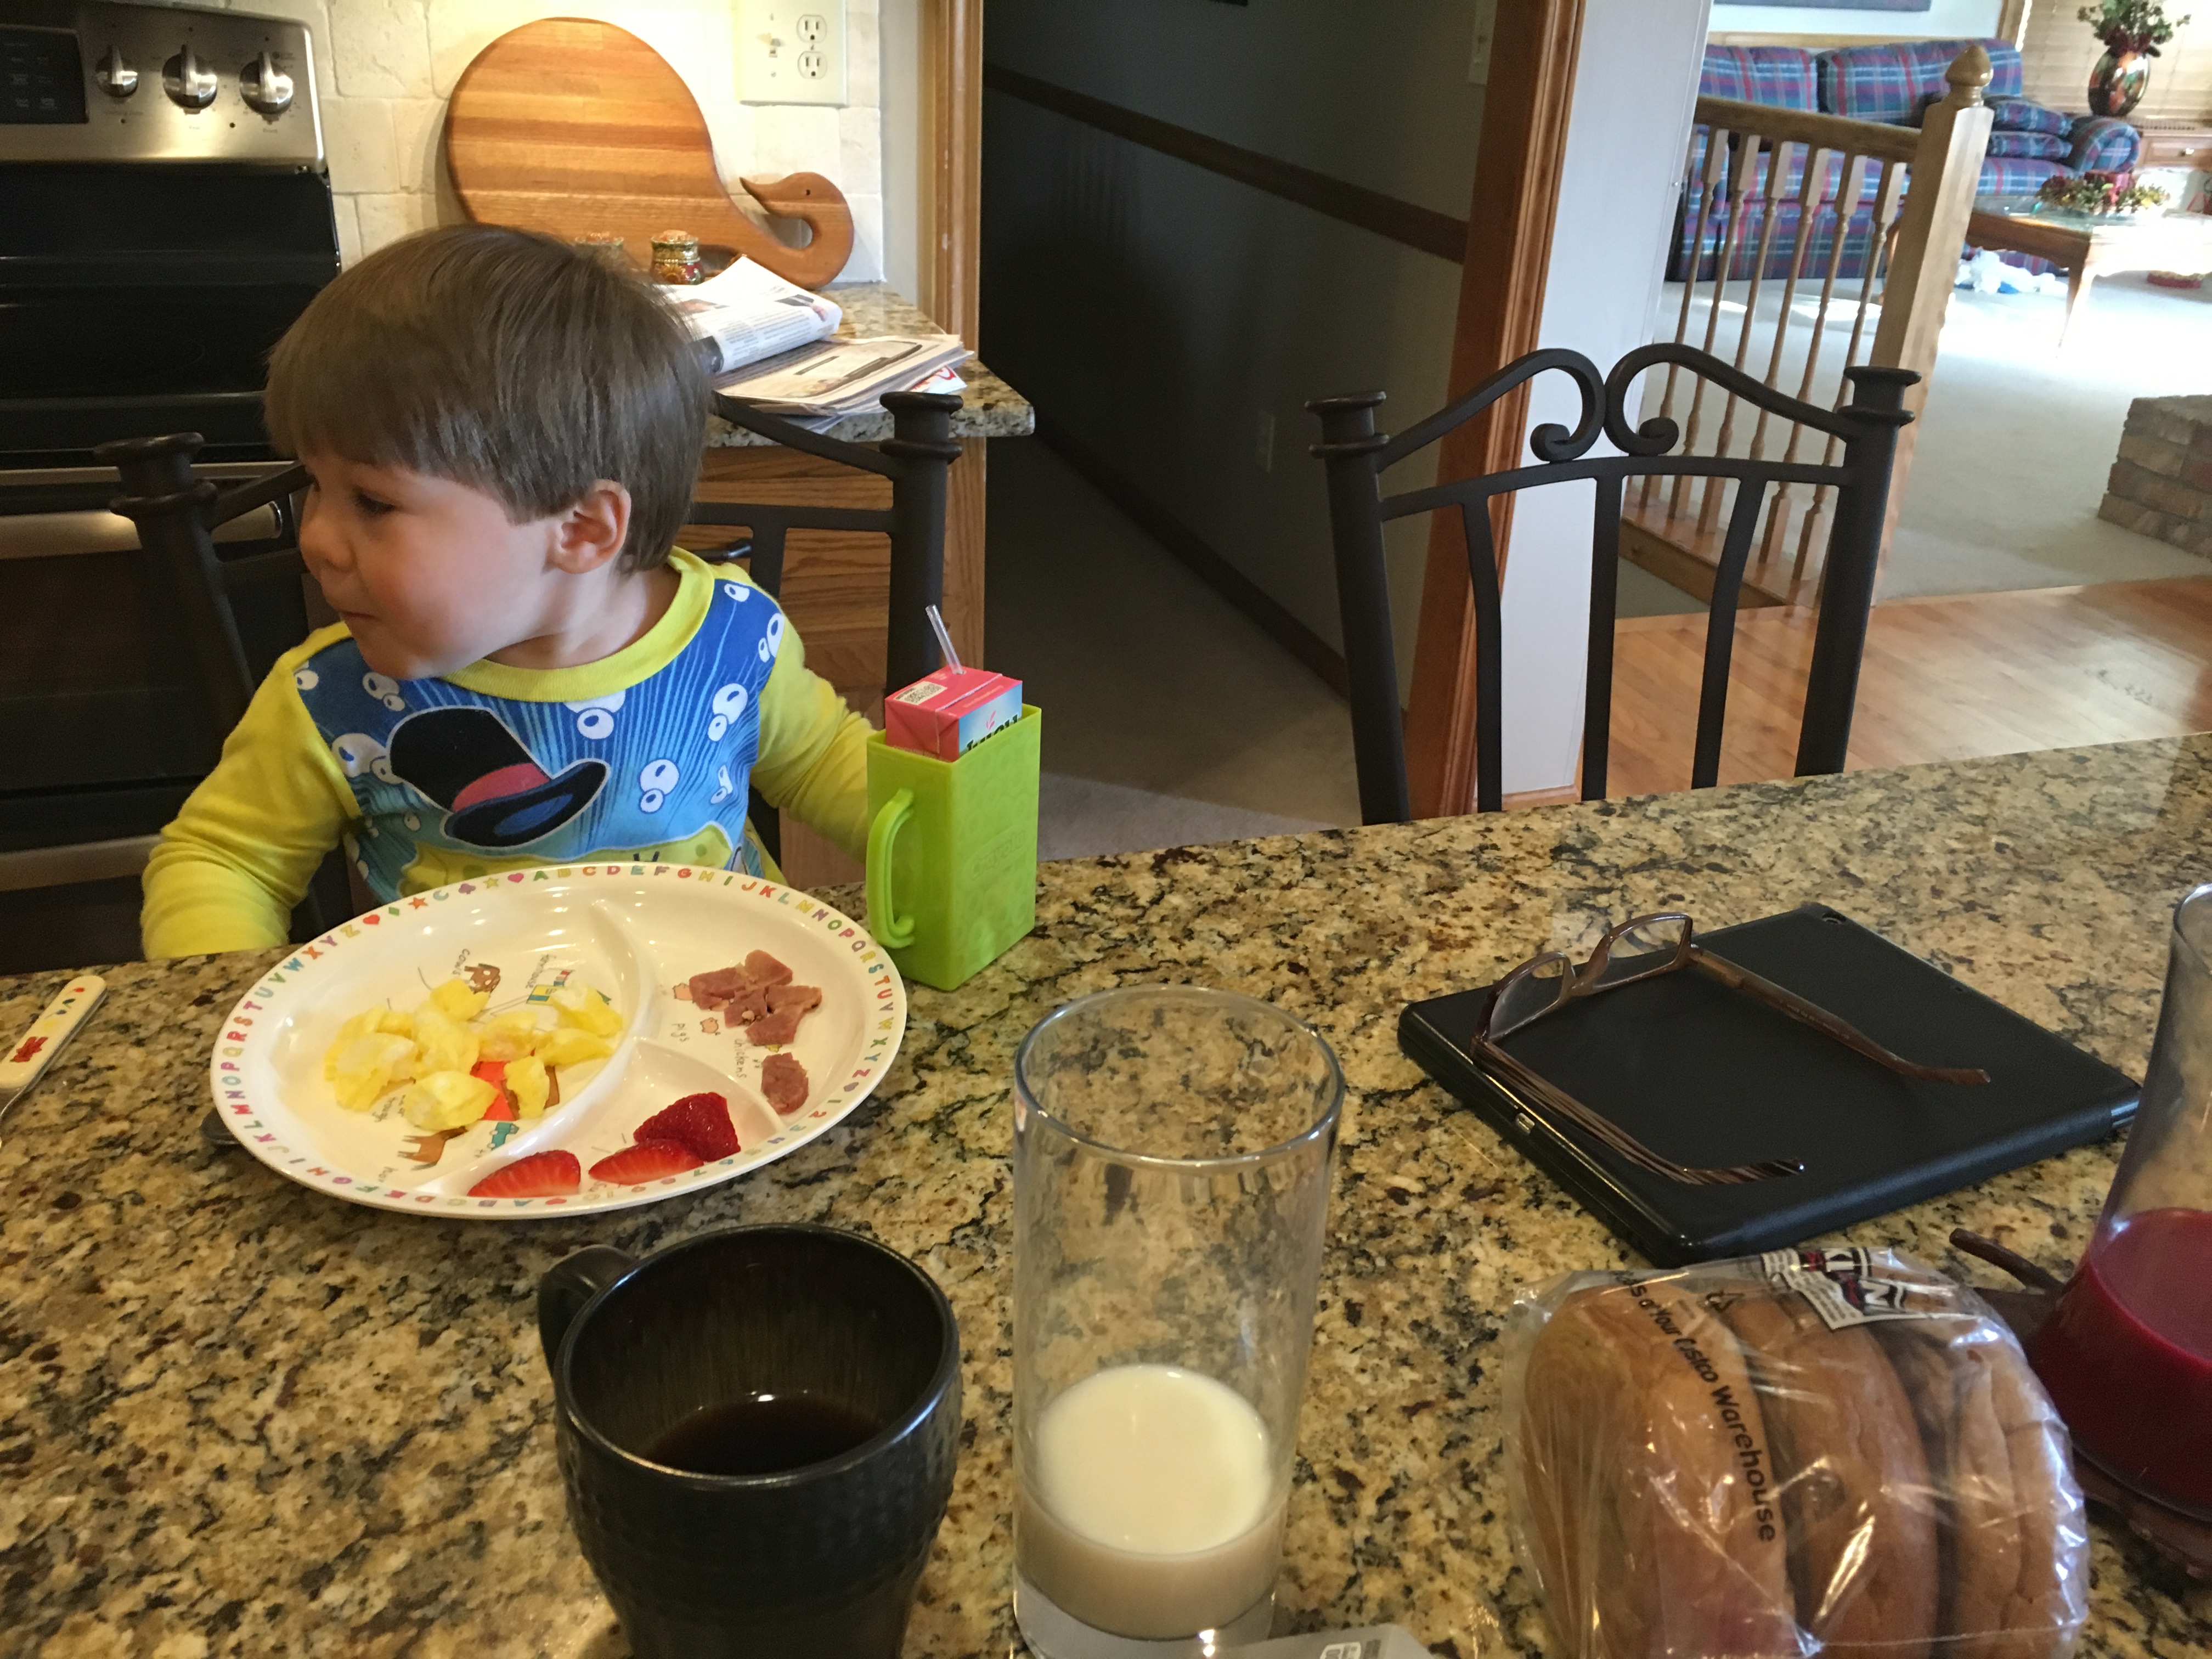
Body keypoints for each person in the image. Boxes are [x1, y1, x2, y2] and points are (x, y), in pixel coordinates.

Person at [140, 225, 870, 957]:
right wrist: (225, 982)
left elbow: (826, 763)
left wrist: (937, 834)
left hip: (721, 996)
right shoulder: (332, 699)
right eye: (315, 486)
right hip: (465, 1019)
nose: (318, 539)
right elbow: (223, 863)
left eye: (373, 502)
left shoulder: (733, 640)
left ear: (581, 529)